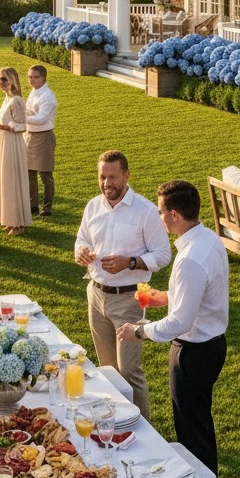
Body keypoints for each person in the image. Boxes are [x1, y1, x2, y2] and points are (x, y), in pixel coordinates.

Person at [117, 180, 228, 474]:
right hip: (214, 345)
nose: (159, 216)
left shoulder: (189, 259)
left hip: (193, 353)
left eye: (161, 211)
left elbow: (180, 322)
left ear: (175, 215)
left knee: (190, 427)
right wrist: (165, 297)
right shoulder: (210, 240)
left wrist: (138, 330)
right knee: (200, 419)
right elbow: (201, 293)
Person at [75, 151, 171, 421]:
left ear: (127, 176)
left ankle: (144, 426)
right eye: (102, 177)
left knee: (129, 370)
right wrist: (81, 251)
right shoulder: (93, 206)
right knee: (108, 369)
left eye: (113, 177)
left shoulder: (146, 211)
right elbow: (82, 238)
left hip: (130, 298)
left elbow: (163, 255)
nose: (107, 183)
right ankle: (116, 421)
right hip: (96, 294)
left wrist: (130, 262)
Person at [0, 67, 31, 236]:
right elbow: (9, 120)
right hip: (4, 141)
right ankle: (9, 218)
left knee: (12, 179)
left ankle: (18, 223)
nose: (1, 82)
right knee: (4, 179)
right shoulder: (7, 99)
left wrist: (0, 126)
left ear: (12, 80)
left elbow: (21, 126)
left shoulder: (17, 100)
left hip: (13, 143)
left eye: (4, 79)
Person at [25, 64, 57, 217]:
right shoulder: (34, 92)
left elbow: (42, 119)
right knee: (29, 173)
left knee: (45, 174)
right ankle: (33, 206)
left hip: (43, 136)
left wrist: (22, 118)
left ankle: (47, 208)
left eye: (35, 77)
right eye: (30, 77)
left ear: (44, 78)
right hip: (30, 135)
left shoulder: (48, 96)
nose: (32, 80)